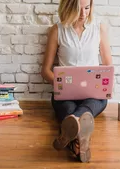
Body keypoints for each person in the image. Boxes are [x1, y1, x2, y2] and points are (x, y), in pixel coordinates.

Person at [40, 0, 112, 163]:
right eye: (78, 9)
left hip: (93, 94)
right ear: (67, 8)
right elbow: (45, 71)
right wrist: (62, 84)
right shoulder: (57, 30)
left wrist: (105, 84)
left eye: (87, 8)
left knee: (86, 108)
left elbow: (108, 65)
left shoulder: (98, 28)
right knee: (70, 108)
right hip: (65, 94)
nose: (83, 14)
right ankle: (82, 139)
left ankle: (70, 135)